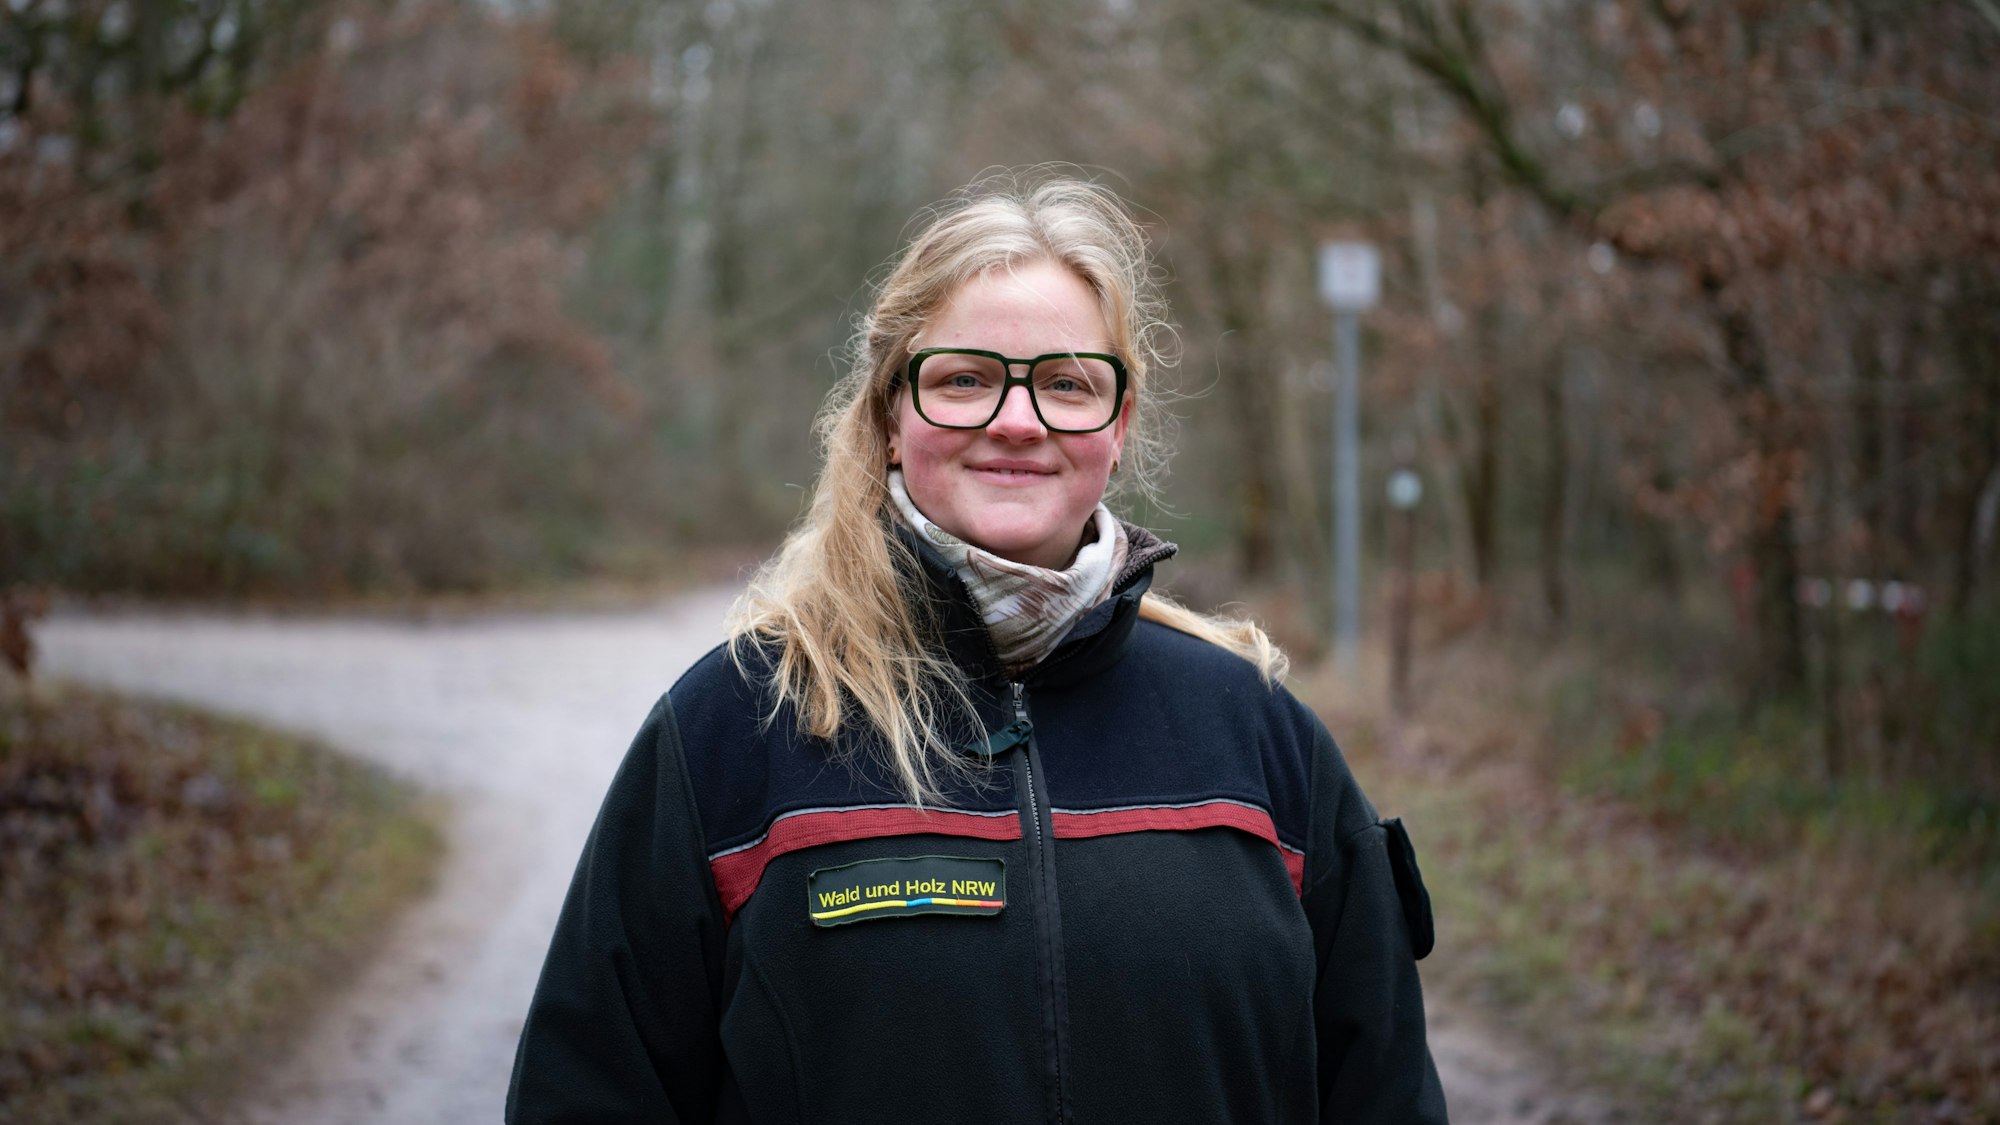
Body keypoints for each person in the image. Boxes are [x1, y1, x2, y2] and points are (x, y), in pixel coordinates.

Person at [507, 173, 1447, 1124]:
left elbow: (1387, 1095)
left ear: (1117, 428)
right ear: (889, 418)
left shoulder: (1263, 740)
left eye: (1067, 383)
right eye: (964, 378)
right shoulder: (731, 730)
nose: (1017, 420)